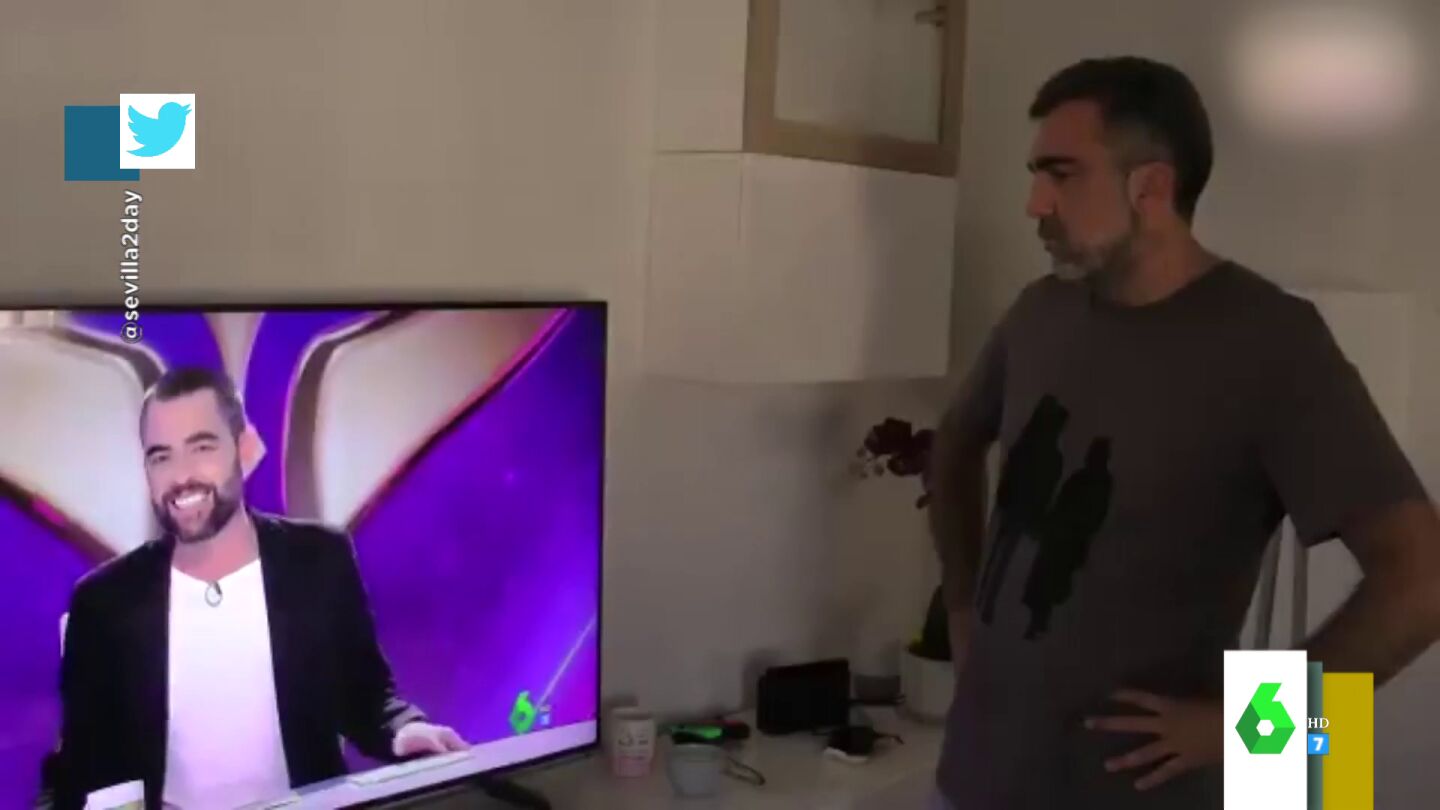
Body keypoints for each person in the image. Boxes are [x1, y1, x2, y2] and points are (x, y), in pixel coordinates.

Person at [925, 56, 1440, 809]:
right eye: (1036, 175)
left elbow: (1421, 583)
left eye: (1062, 175)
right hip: (973, 777)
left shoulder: (1272, 342)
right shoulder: (1040, 312)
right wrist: (962, 607)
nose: (1035, 203)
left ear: (1151, 186)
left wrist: (1244, 729)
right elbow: (954, 443)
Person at [51, 366, 468, 810]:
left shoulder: (318, 560)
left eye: (202, 447)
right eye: (161, 457)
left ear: (245, 449)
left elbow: (366, 695)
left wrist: (404, 731)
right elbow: (77, 765)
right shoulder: (104, 603)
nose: (181, 476)